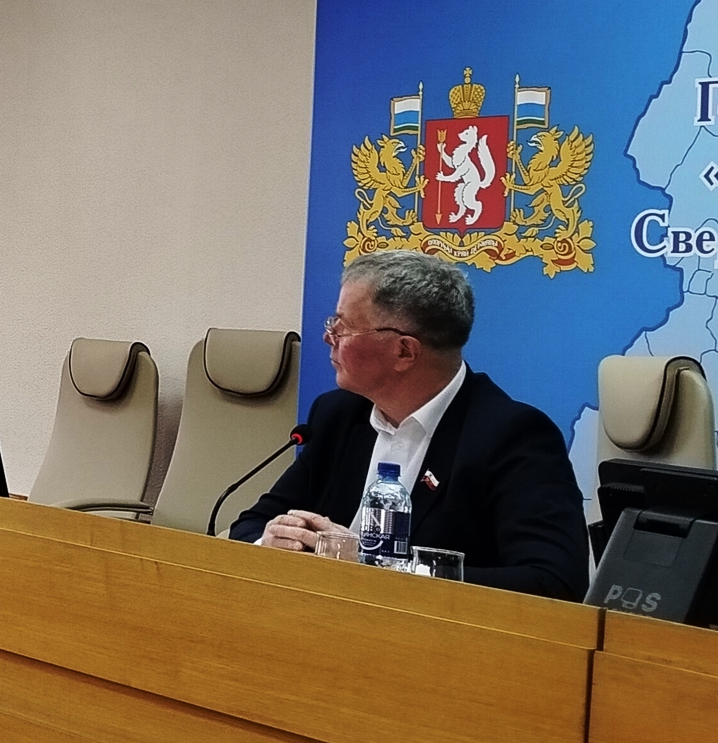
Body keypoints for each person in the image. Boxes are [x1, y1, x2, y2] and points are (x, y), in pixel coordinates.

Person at [230, 251, 589, 599]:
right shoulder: (338, 415)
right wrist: (272, 542)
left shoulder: (511, 436)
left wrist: (380, 570)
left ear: (404, 352)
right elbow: (249, 525)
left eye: (343, 327)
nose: (328, 337)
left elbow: (554, 582)